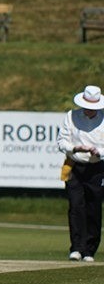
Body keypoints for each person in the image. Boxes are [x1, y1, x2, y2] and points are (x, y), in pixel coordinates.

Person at [57, 85, 104, 262]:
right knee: (76, 206)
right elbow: (62, 141)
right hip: (74, 165)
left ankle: (90, 250)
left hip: (97, 168)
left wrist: (98, 151)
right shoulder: (71, 116)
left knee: (93, 207)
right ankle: (76, 248)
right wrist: (75, 147)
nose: (89, 110)